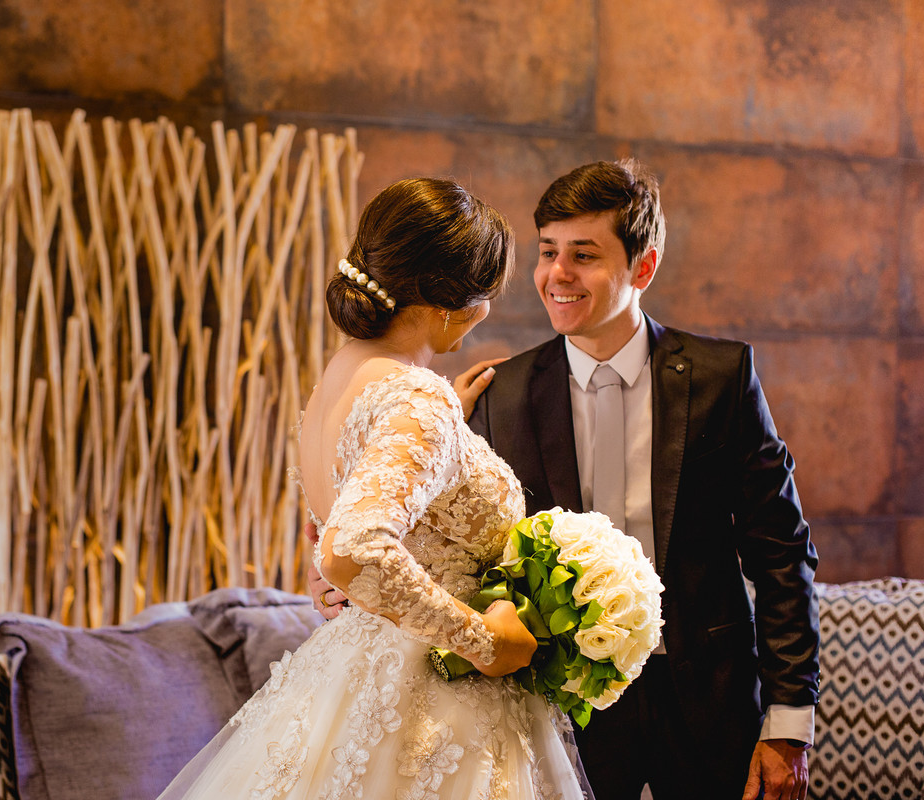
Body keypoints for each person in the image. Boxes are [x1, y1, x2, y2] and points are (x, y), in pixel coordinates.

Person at [316, 159, 820, 800]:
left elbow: (782, 555)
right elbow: (417, 532)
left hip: (711, 701)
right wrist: (333, 581)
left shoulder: (725, 379)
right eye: (548, 251)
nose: (557, 275)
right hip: (558, 706)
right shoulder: (496, 396)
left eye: (584, 255)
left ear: (644, 267)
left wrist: (788, 726)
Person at [160, 177, 592, 799]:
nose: (485, 315)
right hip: (433, 708)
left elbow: (347, 533)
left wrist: (452, 438)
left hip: (349, 683)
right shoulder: (417, 397)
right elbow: (351, 548)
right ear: (450, 301)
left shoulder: (339, 379)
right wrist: (484, 639)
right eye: (485, 297)